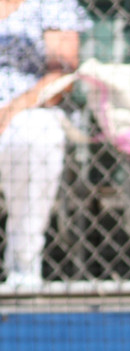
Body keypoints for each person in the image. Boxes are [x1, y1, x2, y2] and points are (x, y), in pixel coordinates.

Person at [0, 0, 91, 289]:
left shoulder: (51, 3)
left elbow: (62, 74)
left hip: (24, 111)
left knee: (36, 134)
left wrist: (10, 112)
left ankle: (23, 269)